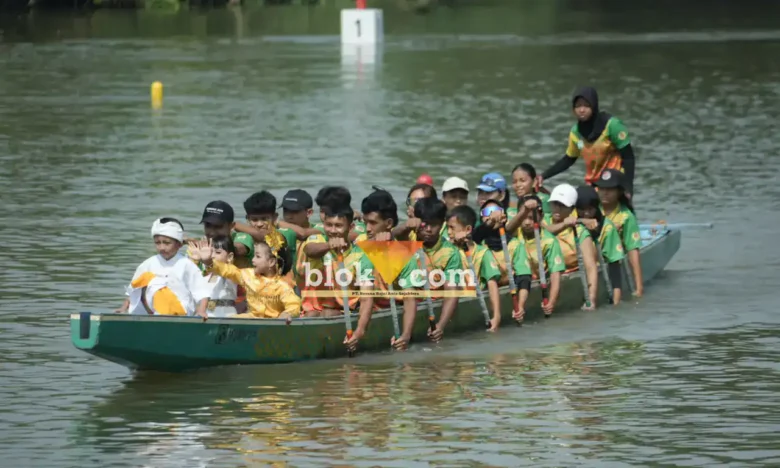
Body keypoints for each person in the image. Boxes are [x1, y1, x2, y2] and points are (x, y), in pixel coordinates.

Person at [345, 189, 418, 352]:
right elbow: (366, 298)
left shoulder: (405, 257)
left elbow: (410, 301)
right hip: (364, 305)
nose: (368, 229)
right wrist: (360, 331)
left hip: (390, 306)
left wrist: (406, 335)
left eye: (373, 223)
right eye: (365, 222)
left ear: (389, 224)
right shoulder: (362, 250)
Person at [540, 87, 636, 195]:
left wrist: (628, 189)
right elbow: (568, 159)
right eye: (578, 106)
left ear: (594, 106)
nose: (581, 110)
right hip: (593, 184)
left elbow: (628, 158)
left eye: (586, 105)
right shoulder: (576, 133)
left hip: (614, 182)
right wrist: (543, 176)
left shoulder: (612, 125)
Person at [394, 197, 462, 347]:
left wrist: (441, 326)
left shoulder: (450, 253)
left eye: (435, 225)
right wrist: (406, 225)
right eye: (425, 225)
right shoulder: (408, 237)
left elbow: (452, 293)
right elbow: (393, 235)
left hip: (433, 300)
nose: (429, 230)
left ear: (442, 224)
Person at [117, 218, 209, 318]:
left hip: (181, 316)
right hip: (152, 315)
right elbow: (133, 292)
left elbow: (202, 292)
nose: (161, 247)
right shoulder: (148, 264)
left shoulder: (187, 265)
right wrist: (123, 308)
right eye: (157, 243)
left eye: (166, 243)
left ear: (179, 244)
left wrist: (202, 310)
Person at [193, 235, 302, 319]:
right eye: (254, 255)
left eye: (258, 256)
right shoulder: (248, 276)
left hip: (272, 323)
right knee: (230, 321)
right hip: (251, 320)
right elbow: (228, 271)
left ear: (271, 262)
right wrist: (208, 262)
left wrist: (287, 314)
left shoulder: (282, 286)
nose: (253, 260)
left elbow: (294, 304)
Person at [298, 204, 376, 318]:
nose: (333, 231)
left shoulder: (359, 254)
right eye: (328, 225)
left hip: (346, 310)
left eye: (338, 226)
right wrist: (329, 246)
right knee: (311, 315)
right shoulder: (316, 240)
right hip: (314, 308)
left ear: (350, 227)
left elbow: (366, 296)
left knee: (327, 313)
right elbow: (309, 250)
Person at [541, 184, 600, 310]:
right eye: (554, 204)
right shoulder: (543, 220)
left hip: (566, 270)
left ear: (572, 208)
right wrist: (564, 224)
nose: (557, 209)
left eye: (562, 205)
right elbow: (549, 230)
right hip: (544, 271)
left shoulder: (580, 232)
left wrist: (591, 298)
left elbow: (591, 267)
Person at [446, 205, 503, 332]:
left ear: (467, 229)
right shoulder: (448, 250)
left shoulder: (483, 253)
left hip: (472, 300)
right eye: (447, 228)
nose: (449, 232)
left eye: (452, 228)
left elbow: (492, 284)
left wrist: (497, 315)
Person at [594, 169, 643, 297]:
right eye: (602, 188)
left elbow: (632, 250)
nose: (604, 193)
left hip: (613, 257)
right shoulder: (590, 209)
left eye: (610, 189)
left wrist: (639, 288)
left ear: (619, 191)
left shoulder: (626, 216)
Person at [574, 185, 626, 305]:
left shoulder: (607, 228)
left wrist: (616, 303)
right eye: (582, 209)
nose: (586, 214)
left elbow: (615, 269)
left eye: (590, 209)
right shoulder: (571, 219)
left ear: (597, 207)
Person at [511, 201, 565, 317]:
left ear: (541, 217)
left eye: (531, 218)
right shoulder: (514, 233)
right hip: (519, 278)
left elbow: (555, 274)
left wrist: (551, 302)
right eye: (524, 217)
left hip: (536, 277)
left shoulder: (549, 241)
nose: (526, 223)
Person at [242, 191, 295, 288]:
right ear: (247, 219)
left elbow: (262, 236)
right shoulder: (244, 237)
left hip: (283, 290)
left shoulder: (287, 234)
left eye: (264, 219)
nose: (259, 224)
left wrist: (233, 225)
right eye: (254, 220)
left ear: (274, 218)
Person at [198, 200, 264, 269]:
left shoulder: (243, 238)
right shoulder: (201, 247)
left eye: (218, 226)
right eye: (208, 225)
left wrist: (194, 243)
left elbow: (237, 249)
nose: (212, 232)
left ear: (231, 226)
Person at [189, 235, 238, 317]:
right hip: (206, 315)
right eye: (210, 252)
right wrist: (197, 261)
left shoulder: (231, 271)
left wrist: (206, 261)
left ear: (230, 257)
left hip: (226, 315)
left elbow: (218, 269)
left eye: (218, 252)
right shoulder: (206, 273)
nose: (212, 255)